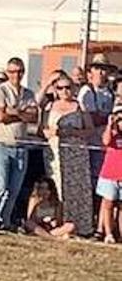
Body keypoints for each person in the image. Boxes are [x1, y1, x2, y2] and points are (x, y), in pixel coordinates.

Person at [0, 58, 39, 231]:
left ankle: (4, 221)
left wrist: (13, 111)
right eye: (12, 71)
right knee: (0, 186)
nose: (16, 75)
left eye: (19, 71)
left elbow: (34, 116)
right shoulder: (0, 91)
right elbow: (1, 117)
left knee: (14, 188)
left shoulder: (28, 93)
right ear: (8, 72)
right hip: (1, 143)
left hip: (21, 145)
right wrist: (21, 113)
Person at [42, 75, 95, 237]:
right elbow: (41, 129)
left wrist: (74, 132)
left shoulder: (79, 106)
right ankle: (58, 222)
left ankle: (80, 225)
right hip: (55, 151)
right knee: (57, 187)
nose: (64, 91)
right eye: (60, 88)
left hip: (77, 152)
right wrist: (51, 133)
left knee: (77, 189)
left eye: (68, 87)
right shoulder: (50, 106)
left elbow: (90, 130)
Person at [78, 59, 114, 185]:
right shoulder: (86, 91)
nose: (101, 72)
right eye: (97, 68)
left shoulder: (110, 93)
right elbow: (90, 117)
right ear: (91, 71)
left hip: (105, 143)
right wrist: (108, 118)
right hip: (90, 142)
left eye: (103, 69)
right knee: (90, 178)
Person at [96, 104, 122, 245]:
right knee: (108, 204)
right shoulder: (112, 134)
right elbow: (105, 141)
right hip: (110, 175)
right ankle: (108, 233)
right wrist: (109, 125)